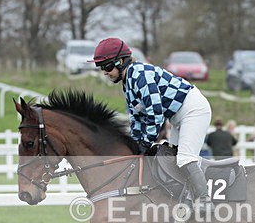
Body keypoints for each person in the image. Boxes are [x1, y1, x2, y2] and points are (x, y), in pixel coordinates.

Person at [91, 37, 213, 213]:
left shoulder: (140, 74)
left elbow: (155, 112)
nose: (104, 72)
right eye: (101, 67)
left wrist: (146, 142)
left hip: (193, 110)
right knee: (171, 158)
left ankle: (204, 201)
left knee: (185, 158)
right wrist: (135, 143)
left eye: (107, 66)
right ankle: (186, 199)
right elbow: (137, 117)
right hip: (178, 117)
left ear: (121, 62)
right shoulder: (128, 83)